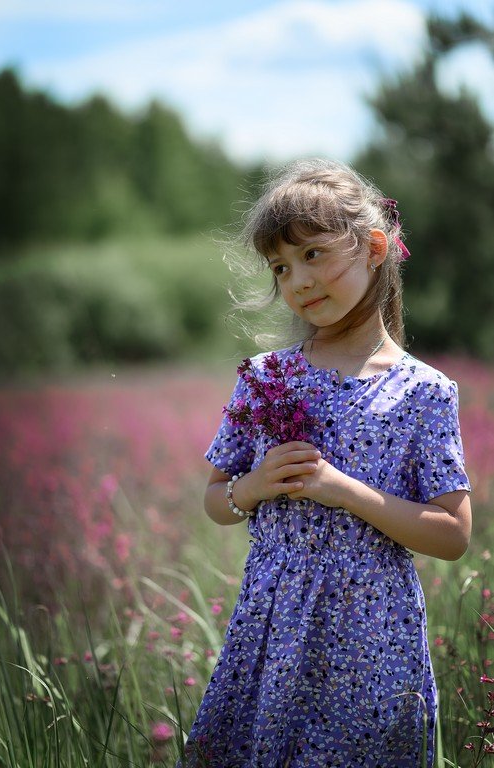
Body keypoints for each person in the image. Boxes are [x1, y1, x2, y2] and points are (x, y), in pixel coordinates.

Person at [181, 159, 471, 767]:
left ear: (373, 248)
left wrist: (343, 489)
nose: (298, 281)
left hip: (373, 640)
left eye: (313, 255)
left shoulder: (424, 392)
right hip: (274, 626)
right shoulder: (267, 379)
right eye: (281, 267)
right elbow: (216, 499)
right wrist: (255, 486)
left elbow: (453, 535)